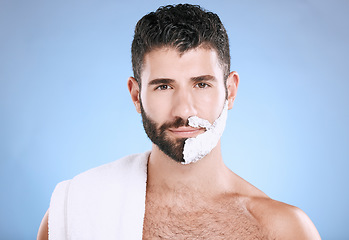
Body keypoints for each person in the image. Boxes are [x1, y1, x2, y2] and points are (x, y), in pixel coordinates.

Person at [38, 4, 321, 239]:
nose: (184, 109)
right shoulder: (75, 208)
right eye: (164, 86)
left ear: (230, 91)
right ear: (136, 96)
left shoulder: (283, 229)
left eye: (201, 84)